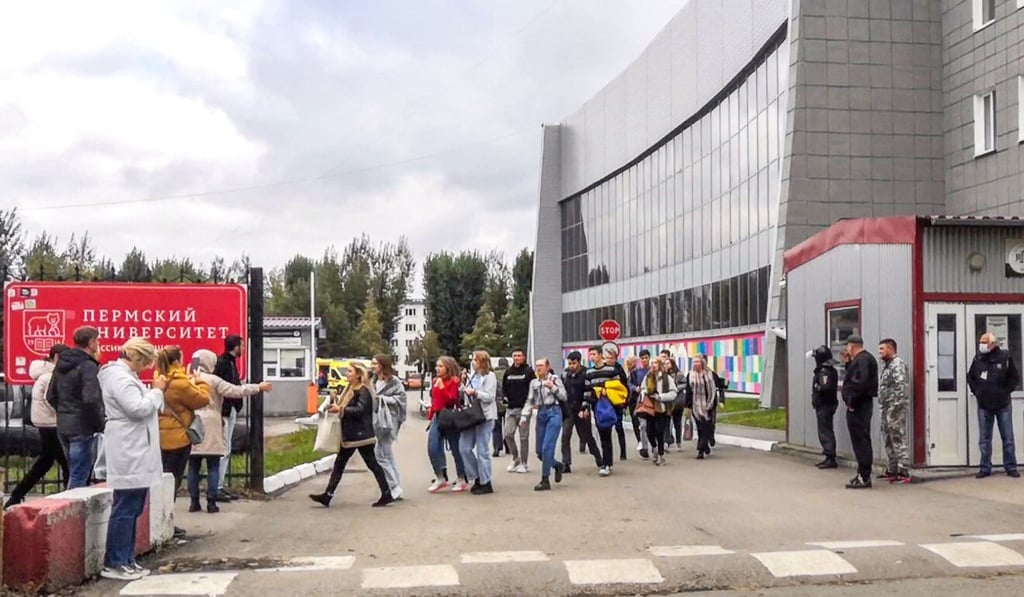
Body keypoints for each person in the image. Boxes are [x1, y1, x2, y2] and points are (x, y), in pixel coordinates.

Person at [97, 338, 167, 581]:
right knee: (125, 506)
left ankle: (126, 558)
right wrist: (157, 390)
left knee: (134, 505)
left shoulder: (125, 376)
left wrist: (155, 392)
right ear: (137, 358)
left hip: (135, 447)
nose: (147, 368)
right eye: (146, 362)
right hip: (129, 447)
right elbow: (136, 408)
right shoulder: (119, 377)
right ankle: (115, 561)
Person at [188, 350, 270, 514]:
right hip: (211, 425)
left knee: (193, 466)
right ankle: (211, 502)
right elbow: (236, 390)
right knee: (213, 464)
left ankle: (194, 502)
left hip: (192, 423)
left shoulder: (188, 379)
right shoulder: (213, 380)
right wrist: (258, 387)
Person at [309, 362, 393, 508]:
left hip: (360, 435)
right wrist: (335, 403)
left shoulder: (363, 391)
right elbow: (346, 406)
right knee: (341, 463)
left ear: (358, 375)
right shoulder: (349, 388)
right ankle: (328, 495)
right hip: (351, 434)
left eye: (349, 371)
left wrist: (341, 409)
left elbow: (360, 410)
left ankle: (386, 493)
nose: (347, 374)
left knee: (370, 463)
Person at [5, 344, 69, 508]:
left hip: (46, 423)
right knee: (66, 463)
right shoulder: (49, 376)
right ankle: (70, 499)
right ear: (56, 358)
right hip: (52, 424)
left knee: (46, 462)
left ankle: (16, 495)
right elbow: (51, 399)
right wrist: (65, 413)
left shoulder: (46, 375)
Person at [156, 347, 210, 538]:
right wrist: (200, 381)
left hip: (161, 436)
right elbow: (202, 400)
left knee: (163, 479)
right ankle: (166, 523)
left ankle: (160, 521)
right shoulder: (180, 383)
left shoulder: (159, 378)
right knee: (173, 481)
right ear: (177, 361)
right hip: (178, 437)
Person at [48, 326, 103, 489]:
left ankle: (69, 508)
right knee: (79, 475)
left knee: (74, 470)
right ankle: (70, 512)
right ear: (91, 342)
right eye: (97, 340)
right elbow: (91, 398)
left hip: (63, 424)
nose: (98, 344)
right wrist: (99, 423)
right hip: (82, 426)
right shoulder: (88, 366)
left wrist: (63, 411)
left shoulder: (62, 363)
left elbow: (50, 395)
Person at [968, 332, 1021, 479]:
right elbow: (971, 377)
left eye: (984, 342)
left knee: (1008, 437)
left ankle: (1011, 467)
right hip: (984, 404)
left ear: (993, 344)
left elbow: (1014, 378)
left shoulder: (1005, 358)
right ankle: (985, 467)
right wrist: (977, 391)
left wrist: (1005, 392)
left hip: (1003, 404)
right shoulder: (978, 358)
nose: (982, 345)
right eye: (981, 342)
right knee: (984, 439)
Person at [584, 345, 628, 476]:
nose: (592, 357)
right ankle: (607, 462)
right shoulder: (589, 372)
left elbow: (618, 387)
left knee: (606, 433)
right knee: (602, 433)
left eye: (594, 354)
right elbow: (587, 391)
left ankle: (607, 463)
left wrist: (605, 391)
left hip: (609, 405)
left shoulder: (611, 370)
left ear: (600, 355)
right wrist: (585, 407)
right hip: (597, 406)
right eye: (590, 355)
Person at [842, 335, 879, 489]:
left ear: (852, 346)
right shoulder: (860, 360)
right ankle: (861, 473)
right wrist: (848, 363)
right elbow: (855, 378)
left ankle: (865, 476)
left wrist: (851, 402)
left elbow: (860, 383)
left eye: (848, 346)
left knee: (861, 441)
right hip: (860, 405)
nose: (847, 350)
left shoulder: (863, 360)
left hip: (859, 406)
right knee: (860, 440)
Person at [426, 356, 468, 493]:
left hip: (450, 417)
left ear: (448, 368)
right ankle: (440, 476)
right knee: (433, 447)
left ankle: (462, 477)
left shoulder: (454, 381)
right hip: (437, 417)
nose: (437, 369)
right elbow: (435, 400)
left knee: (456, 448)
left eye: (441, 366)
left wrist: (443, 387)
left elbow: (451, 400)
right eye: (437, 366)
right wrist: (431, 415)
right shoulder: (435, 381)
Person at [525, 358, 567, 490]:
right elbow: (530, 400)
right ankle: (557, 465)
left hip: (554, 412)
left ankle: (545, 479)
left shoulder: (554, 379)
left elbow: (564, 396)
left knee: (547, 447)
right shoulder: (534, 382)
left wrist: (553, 387)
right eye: (537, 366)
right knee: (539, 451)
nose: (539, 368)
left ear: (548, 367)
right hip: (541, 413)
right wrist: (524, 416)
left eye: (541, 366)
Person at [460, 351, 498, 496]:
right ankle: (476, 476)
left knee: (482, 450)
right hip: (470, 416)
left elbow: (490, 397)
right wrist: (463, 387)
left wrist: (475, 392)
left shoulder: (490, 377)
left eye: (476, 360)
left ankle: (486, 481)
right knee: (464, 448)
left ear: (482, 362)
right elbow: (464, 396)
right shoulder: (471, 375)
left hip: (485, 416)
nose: (473, 362)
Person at [372, 354, 407, 500]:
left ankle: (394, 486)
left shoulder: (394, 382)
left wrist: (383, 399)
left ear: (382, 365)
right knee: (387, 455)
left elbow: (401, 399)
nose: (372, 366)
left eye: (375, 364)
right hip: (378, 421)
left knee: (380, 455)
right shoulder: (373, 381)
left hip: (389, 422)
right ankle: (395, 486)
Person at [214, 335, 244, 502]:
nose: (244, 349)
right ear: (235, 347)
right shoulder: (223, 363)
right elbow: (226, 388)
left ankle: (219, 485)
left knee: (226, 448)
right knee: (223, 449)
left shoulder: (230, 362)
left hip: (230, 409)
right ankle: (217, 487)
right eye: (242, 346)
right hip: (224, 411)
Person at [561, 351, 601, 473]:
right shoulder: (565, 374)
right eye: (569, 363)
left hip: (581, 409)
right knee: (565, 436)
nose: (571, 366)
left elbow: (589, 391)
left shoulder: (586, 373)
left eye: (573, 363)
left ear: (579, 362)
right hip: (568, 410)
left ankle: (598, 457)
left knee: (586, 435)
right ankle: (566, 463)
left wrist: (585, 408)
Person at [878, 338, 911, 483]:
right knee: (888, 438)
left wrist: (894, 408)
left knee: (897, 436)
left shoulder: (897, 365)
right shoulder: (887, 365)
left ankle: (904, 471)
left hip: (894, 408)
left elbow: (901, 388)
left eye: (882, 349)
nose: (880, 352)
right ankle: (892, 469)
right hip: (886, 407)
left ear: (891, 349)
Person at [501, 350, 535, 474]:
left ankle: (524, 463)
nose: (517, 358)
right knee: (508, 434)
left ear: (524, 357)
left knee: (523, 437)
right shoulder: (508, 372)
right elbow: (504, 387)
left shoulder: (529, 372)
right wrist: (504, 397)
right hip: (510, 408)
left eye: (519, 356)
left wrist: (531, 405)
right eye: (514, 355)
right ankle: (515, 458)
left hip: (524, 409)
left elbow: (533, 388)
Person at [808, 345, 839, 470]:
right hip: (827, 404)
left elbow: (825, 387)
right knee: (826, 430)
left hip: (825, 405)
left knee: (825, 431)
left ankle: (830, 457)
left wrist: (817, 388)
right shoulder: (829, 370)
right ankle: (829, 456)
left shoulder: (824, 371)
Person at [642, 357, 678, 466]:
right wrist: (645, 393)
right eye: (652, 363)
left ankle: (661, 455)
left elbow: (673, 393)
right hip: (649, 408)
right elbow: (643, 388)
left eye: (655, 363)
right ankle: (654, 447)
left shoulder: (666, 378)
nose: (653, 365)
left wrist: (660, 397)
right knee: (649, 431)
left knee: (659, 431)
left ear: (660, 365)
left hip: (661, 408)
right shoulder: (648, 376)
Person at [686, 356, 718, 460]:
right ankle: (702, 449)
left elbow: (714, 389)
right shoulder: (690, 375)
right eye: (694, 362)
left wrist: (712, 404)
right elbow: (689, 391)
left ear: (702, 363)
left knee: (707, 426)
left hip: (708, 404)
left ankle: (703, 445)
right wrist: (687, 406)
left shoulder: (710, 374)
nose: (695, 364)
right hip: (696, 405)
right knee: (700, 427)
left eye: (698, 362)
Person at [628, 350, 651, 457]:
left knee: (651, 425)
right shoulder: (636, 372)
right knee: (642, 424)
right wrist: (635, 388)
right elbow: (629, 383)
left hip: (651, 400)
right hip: (639, 401)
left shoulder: (653, 370)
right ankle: (643, 446)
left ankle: (654, 445)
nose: (644, 360)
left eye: (646, 357)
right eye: (642, 358)